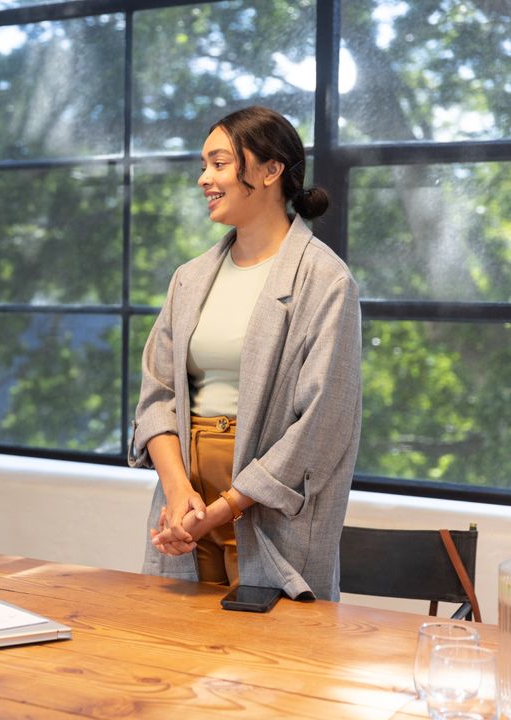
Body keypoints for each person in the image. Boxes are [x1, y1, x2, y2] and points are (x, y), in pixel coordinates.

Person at [129, 105, 361, 600]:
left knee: (269, 664)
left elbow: (324, 424)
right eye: (203, 165)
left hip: (272, 509)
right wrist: (178, 493)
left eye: (218, 163)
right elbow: (157, 396)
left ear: (271, 169)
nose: (203, 179)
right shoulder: (188, 279)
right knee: (173, 658)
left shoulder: (325, 280)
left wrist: (229, 505)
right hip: (185, 504)